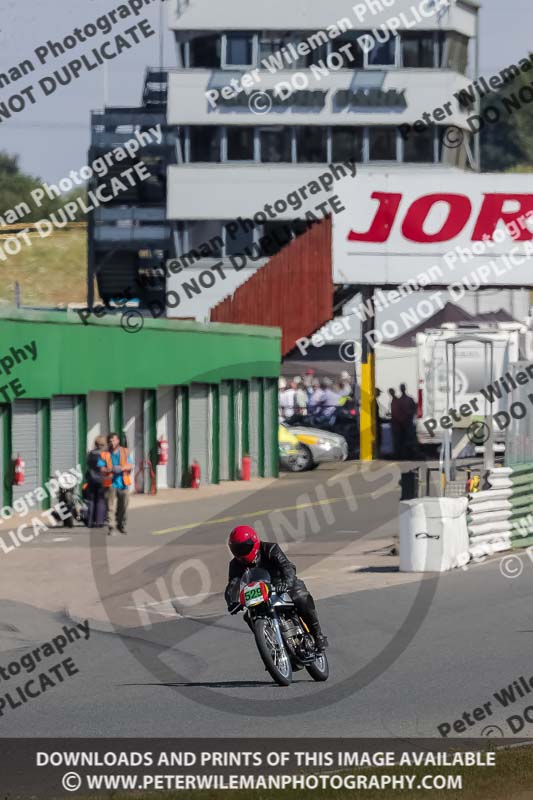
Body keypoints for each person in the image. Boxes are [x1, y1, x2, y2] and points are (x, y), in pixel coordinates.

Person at [224, 525, 328, 651]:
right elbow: (233, 584)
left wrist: (286, 582)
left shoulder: (270, 548)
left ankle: (318, 635)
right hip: (260, 593)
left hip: (282, 584)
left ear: (254, 542)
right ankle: (271, 648)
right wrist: (232, 601)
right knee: (249, 616)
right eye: (236, 549)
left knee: (301, 597)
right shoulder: (235, 564)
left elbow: (287, 566)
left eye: (244, 547)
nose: (240, 552)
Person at [98, 432, 133, 536]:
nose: (112, 443)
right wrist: (110, 469)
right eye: (110, 441)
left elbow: (130, 465)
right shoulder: (104, 454)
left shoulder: (125, 452)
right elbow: (101, 468)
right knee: (110, 507)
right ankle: (111, 527)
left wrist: (121, 468)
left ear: (118, 441)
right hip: (110, 483)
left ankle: (121, 525)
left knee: (124, 506)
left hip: (123, 482)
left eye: (113, 440)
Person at [84, 435, 107, 528]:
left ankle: (90, 521)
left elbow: (88, 465)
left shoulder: (90, 453)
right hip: (102, 479)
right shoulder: (105, 454)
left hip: (91, 479)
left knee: (91, 500)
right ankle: (99, 521)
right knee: (101, 500)